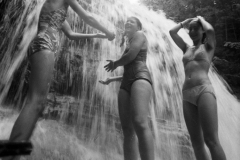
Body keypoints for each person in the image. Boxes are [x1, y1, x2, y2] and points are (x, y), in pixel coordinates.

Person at [4, 0, 115, 159]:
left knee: (38, 103)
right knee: (35, 102)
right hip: (45, 43)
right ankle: (9, 155)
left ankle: (13, 153)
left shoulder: (57, 9)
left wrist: (97, 35)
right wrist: (109, 32)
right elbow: (87, 17)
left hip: (44, 43)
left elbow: (71, 34)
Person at [169, 16, 226, 160]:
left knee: (211, 140)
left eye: (196, 28)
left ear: (202, 31)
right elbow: (172, 32)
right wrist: (184, 23)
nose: (192, 31)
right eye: (191, 29)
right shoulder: (186, 48)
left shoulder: (208, 47)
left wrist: (201, 19)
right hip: (186, 93)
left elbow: (211, 30)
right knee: (196, 143)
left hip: (203, 90)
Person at [100, 17, 154, 160]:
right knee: (127, 130)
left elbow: (131, 56)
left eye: (132, 21)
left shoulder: (140, 35)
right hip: (126, 82)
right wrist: (112, 79)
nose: (127, 23)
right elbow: (128, 67)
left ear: (138, 27)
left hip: (140, 78)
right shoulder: (129, 42)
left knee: (140, 123)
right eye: (127, 21)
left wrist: (115, 63)